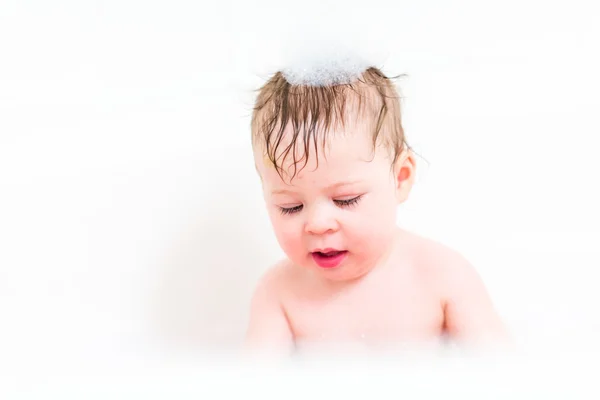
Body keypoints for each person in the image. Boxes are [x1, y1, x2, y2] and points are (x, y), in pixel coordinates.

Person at [244, 60, 511, 358]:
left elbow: (499, 374)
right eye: (290, 207)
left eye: (345, 200)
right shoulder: (279, 294)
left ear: (400, 178)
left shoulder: (442, 277)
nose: (318, 224)